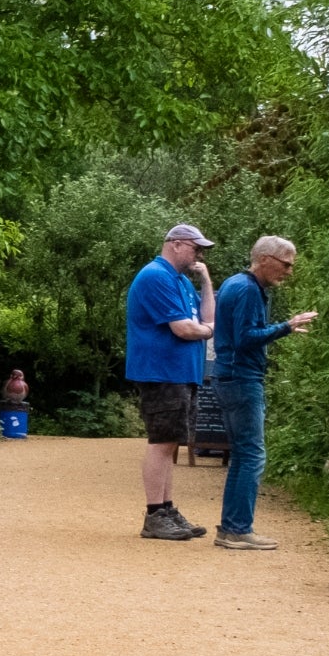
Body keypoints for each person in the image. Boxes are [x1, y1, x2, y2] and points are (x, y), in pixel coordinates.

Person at [210, 235, 317, 550]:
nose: (289, 271)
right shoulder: (246, 289)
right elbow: (245, 338)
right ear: (265, 258)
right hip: (242, 379)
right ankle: (238, 530)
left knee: (243, 455)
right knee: (253, 455)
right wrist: (286, 326)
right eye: (286, 264)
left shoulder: (236, 284)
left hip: (230, 377)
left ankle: (231, 528)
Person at [124, 225, 217, 540]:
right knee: (161, 442)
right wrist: (207, 330)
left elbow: (206, 317)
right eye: (196, 248)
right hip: (161, 371)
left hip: (180, 372)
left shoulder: (180, 281)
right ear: (176, 245)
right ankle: (154, 515)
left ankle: (166, 509)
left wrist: (205, 280)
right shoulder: (156, 276)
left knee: (171, 443)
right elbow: (185, 329)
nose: (199, 255)